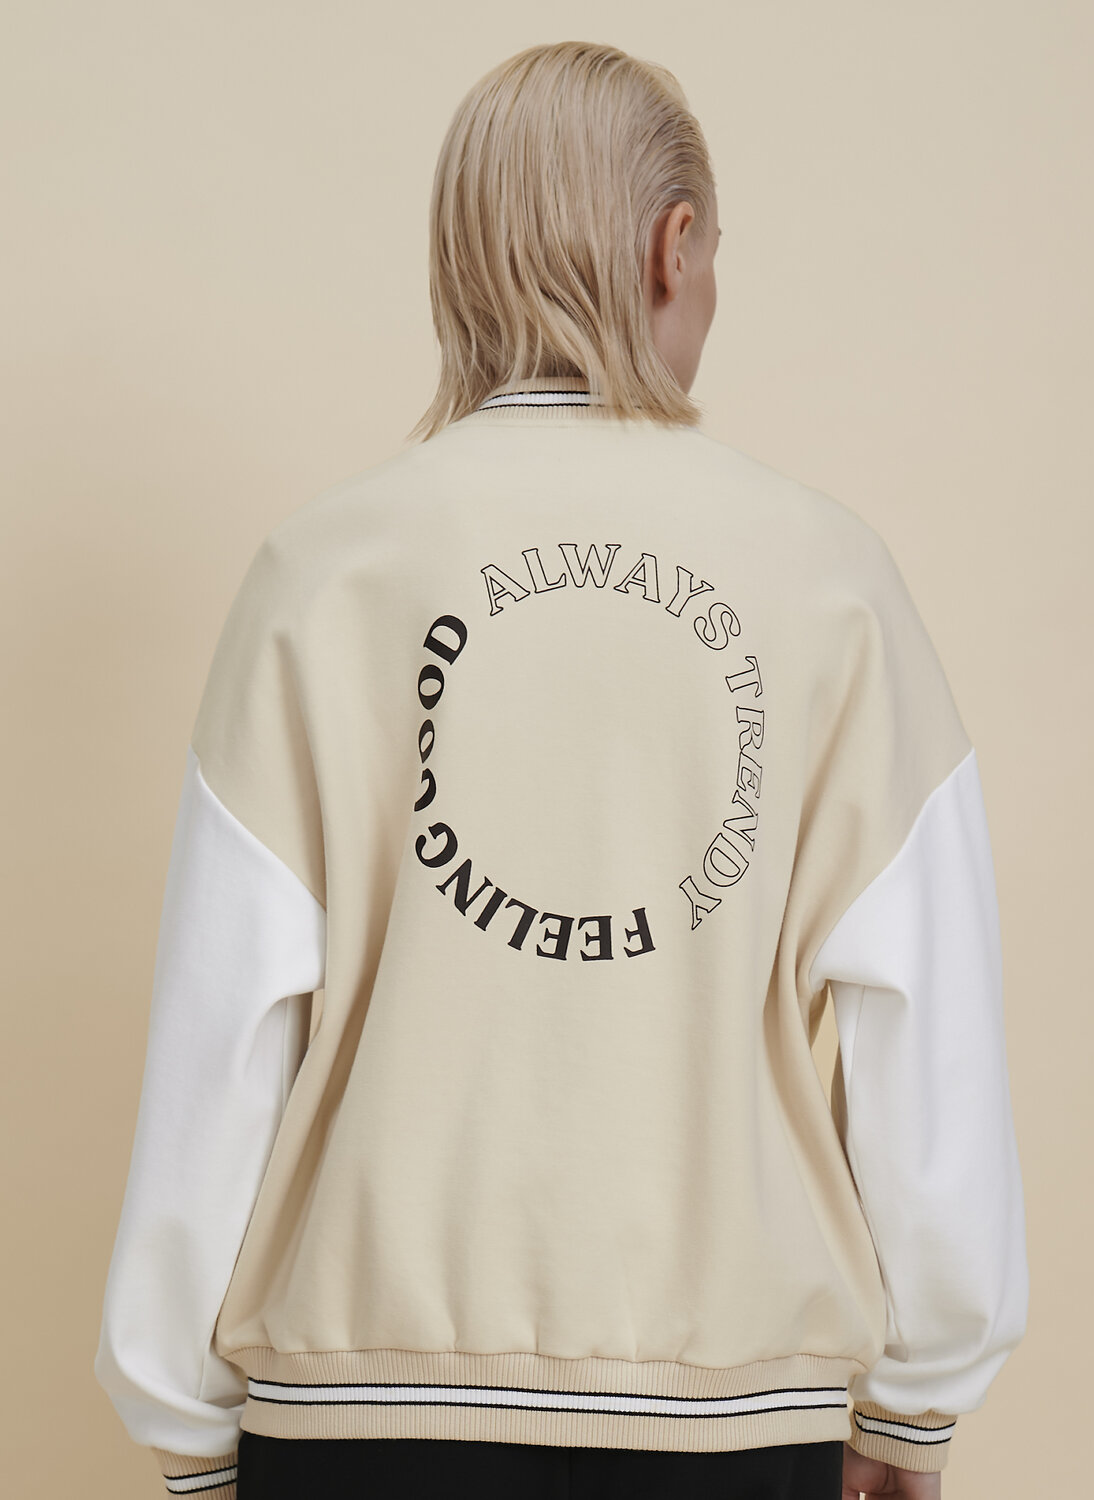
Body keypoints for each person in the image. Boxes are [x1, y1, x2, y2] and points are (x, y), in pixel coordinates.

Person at [93, 39, 1028, 1500]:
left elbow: (222, 1024)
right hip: (726, 1420)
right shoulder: (831, 582)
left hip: (358, 1417)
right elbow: (928, 1020)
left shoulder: (318, 576)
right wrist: (917, 1400)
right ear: (673, 248)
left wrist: (184, 1421)